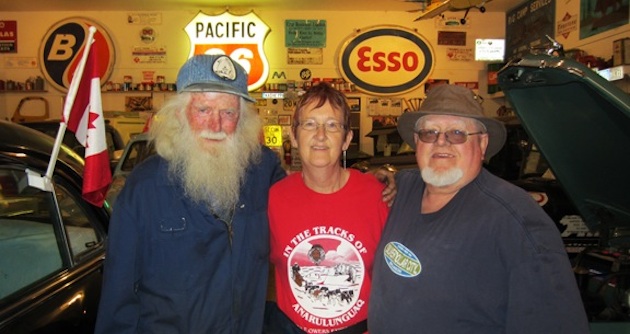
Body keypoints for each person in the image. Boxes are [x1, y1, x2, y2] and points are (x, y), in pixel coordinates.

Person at [368, 84, 589, 333]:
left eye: (457, 133)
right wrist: (372, 178)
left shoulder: (516, 220)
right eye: (429, 133)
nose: (441, 142)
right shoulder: (402, 189)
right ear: (417, 142)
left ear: (482, 144)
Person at [94, 54, 287, 333]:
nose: (216, 125)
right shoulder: (144, 188)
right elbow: (118, 294)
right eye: (203, 110)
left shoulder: (262, 171)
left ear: (243, 120)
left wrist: (364, 186)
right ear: (179, 115)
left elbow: (308, 202)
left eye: (228, 112)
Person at [265, 83, 390, 334]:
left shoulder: (378, 194)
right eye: (309, 124)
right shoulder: (274, 198)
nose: (320, 135)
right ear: (294, 135)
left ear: (347, 139)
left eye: (332, 125)